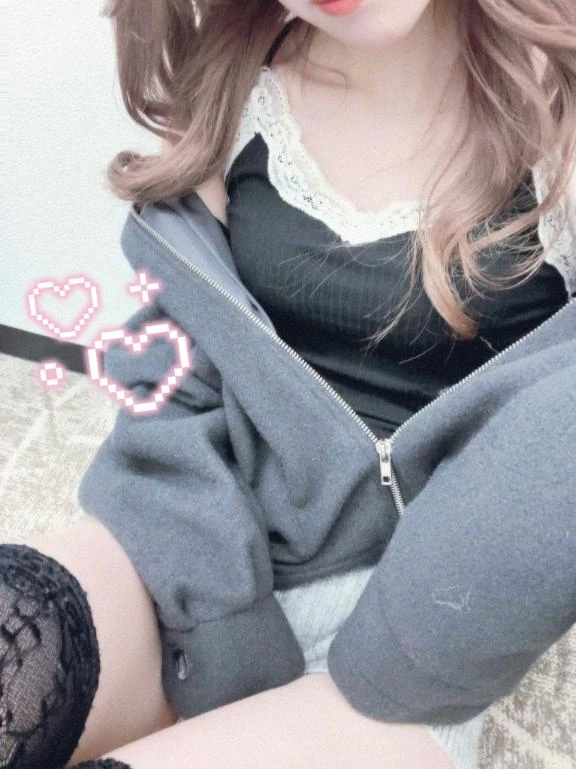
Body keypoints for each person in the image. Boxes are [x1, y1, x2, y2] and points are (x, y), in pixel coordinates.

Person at [1, 1, 575, 768]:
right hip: (200, 532)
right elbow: (177, 344)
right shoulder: (238, 73)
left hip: (424, 625)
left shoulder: (560, 109)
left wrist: (409, 645)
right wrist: (220, 621)